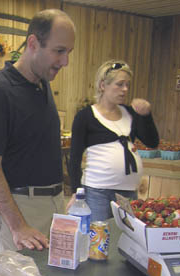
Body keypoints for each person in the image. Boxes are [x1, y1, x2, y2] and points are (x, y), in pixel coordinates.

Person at [0, 9, 76, 253]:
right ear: (33, 43)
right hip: (19, 208)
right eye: (59, 51)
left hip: (54, 203)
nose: (65, 62)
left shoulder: (43, 83)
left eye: (69, 52)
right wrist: (18, 226)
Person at [67, 60, 159, 221]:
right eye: (120, 84)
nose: (125, 90)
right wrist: (76, 192)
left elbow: (152, 142)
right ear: (103, 85)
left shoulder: (131, 113)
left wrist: (146, 116)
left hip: (129, 192)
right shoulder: (86, 116)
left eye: (127, 85)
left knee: (126, 239)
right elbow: (74, 158)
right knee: (98, 238)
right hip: (97, 191)